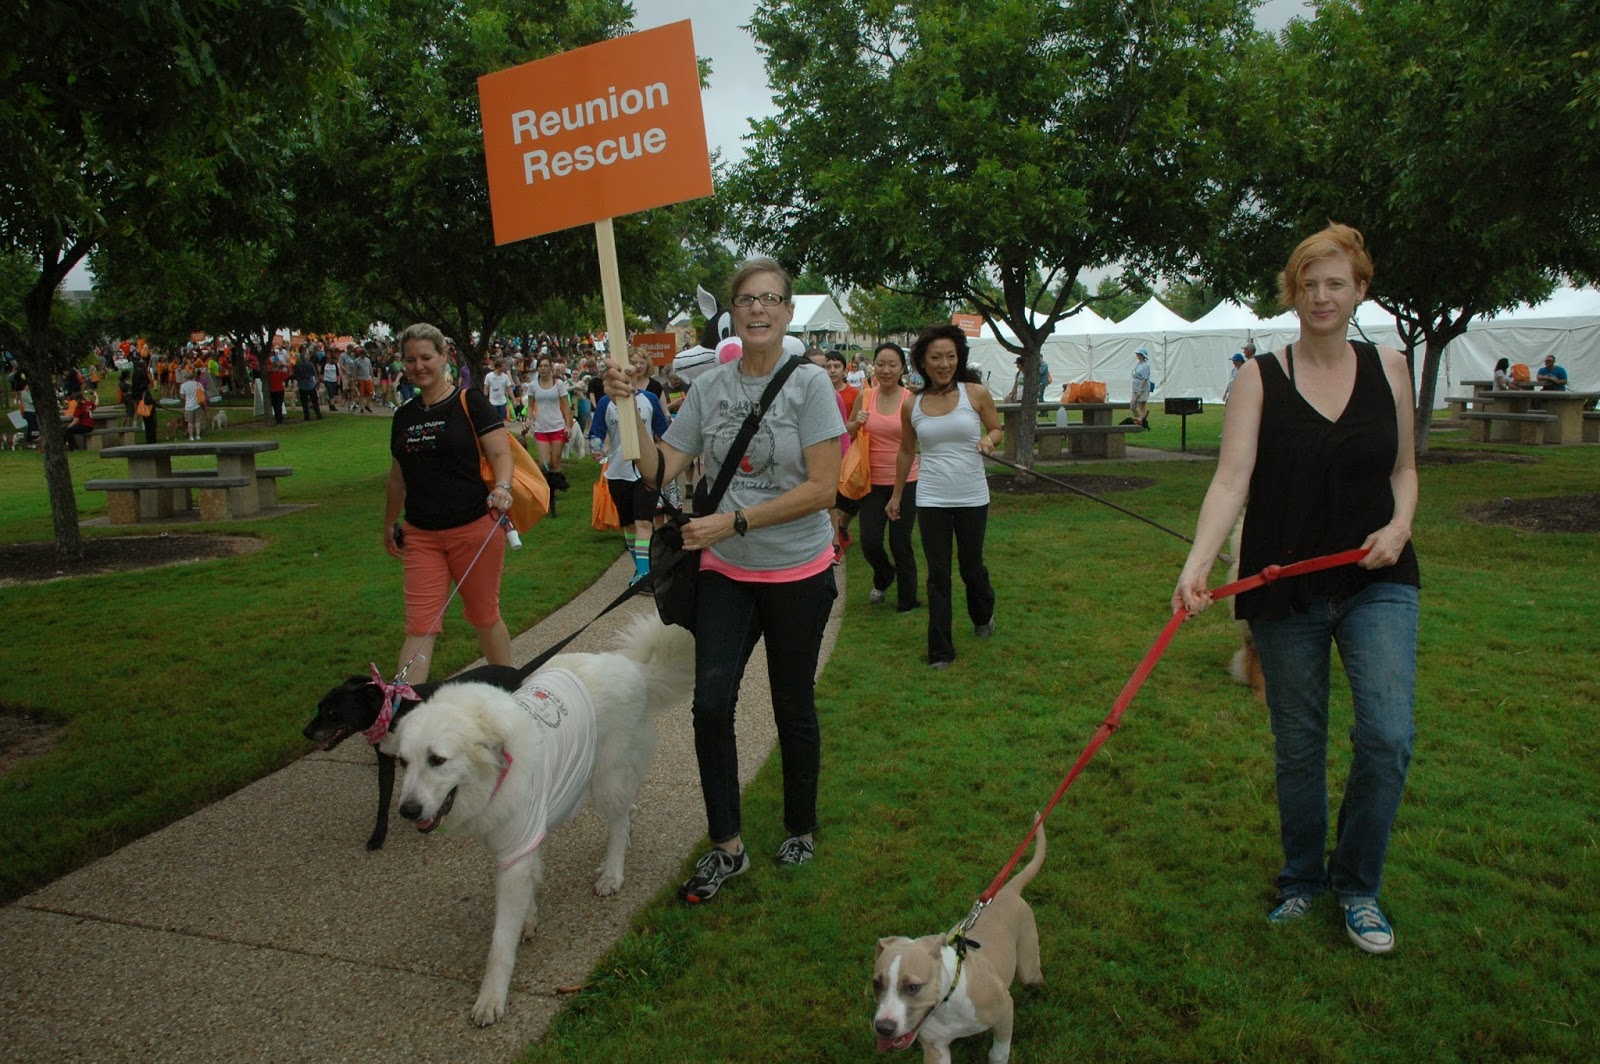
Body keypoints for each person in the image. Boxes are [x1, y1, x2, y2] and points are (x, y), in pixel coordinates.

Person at [1171, 223, 1419, 956]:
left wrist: (1401, 524)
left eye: (1335, 283)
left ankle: (1358, 886)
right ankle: (1304, 880)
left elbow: (1403, 470)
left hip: (1379, 577)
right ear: (1293, 292)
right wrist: (1197, 564)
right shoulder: (1259, 378)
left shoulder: (1392, 369)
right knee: (1299, 744)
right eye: (1308, 283)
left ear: (1359, 291)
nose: (1321, 295)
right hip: (1285, 587)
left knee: (1387, 735)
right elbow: (1230, 479)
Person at [603, 256, 842, 902]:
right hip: (729, 575)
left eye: (771, 299)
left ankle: (800, 825)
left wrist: (733, 521)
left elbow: (824, 490)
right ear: (731, 314)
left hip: (798, 571)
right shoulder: (709, 387)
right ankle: (726, 845)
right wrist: (636, 409)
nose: (758, 309)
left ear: (789, 312)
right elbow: (660, 468)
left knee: (793, 704)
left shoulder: (810, 387)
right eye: (747, 300)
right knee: (711, 705)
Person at [383, 322, 516, 687]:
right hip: (421, 534)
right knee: (419, 625)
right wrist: (390, 521)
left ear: (444, 357)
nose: (418, 366)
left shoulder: (469, 402)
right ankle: (403, 712)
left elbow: (501, 453)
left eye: (426, 357)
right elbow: (398, 477)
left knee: (483, 615)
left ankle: (509, 689)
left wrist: (503, 487)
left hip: (474, 528)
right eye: (410, 360)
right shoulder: (404, 416)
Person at [888, 324, 1001, 669]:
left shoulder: (976, 393)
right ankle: (940, 651)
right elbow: (907, 452)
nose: (943, 364)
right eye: (936, 357)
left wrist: (989, 441)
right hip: (932, 497)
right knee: (938, 575)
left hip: (972, 496)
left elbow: (996, 429)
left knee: (971, 568)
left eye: (950, 356)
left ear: (959, 358)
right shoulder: (913, 405)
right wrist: (896, 496)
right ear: (922, 361)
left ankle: (982, 616)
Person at [849, 342, 920, 610]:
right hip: (870, 481)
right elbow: (848, 431)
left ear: (902, 368)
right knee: (870, 542)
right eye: (881, 364)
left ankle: (908, 601)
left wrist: (898, 494)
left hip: (905, 481)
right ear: (872, 366)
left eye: (892, 365)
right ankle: (884, 576)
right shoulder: (864, 396)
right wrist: (856, 423)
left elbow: (912, 446)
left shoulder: (910, 400)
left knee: (900, 543)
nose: (886, 370)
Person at [590, 355, 671, 585]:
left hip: (646, 471)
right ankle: (639, 569)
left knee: (644, 522)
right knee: (628, 524)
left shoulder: (650, 399)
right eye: (630, 362)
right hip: (618, 470)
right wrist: (595, 447)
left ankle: (645, 574)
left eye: (638, 362)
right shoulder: (607, 402)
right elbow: (596, 431)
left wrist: (663, 456)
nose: (635, 366)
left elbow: (661, 431)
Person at [524, 353, 573, 479]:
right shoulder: (533, 386)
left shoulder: (559, 384)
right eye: (540, 366)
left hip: (557, 426)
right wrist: (528, 419)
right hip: (541, 428)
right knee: (544, 463)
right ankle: (545, 489)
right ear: (537, 368)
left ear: (550, 368)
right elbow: (530, 406)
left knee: (555, 461)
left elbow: (566, 406)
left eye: (546, 366)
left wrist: (568, 426)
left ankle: (555, 489)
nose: (543, 369)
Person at [293, 348, 323, 420]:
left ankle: (307, 416)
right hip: (310, 384)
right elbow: (314, 373)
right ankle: (318, 414)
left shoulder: (298, 365)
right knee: (314, 401)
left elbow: (295, 375)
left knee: (304, 402)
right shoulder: (310, 364)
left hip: (302, 385)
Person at [179, 371, 205, 441]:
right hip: (197, 404)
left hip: (188, 406)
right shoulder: (198, 384)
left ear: (186, 378)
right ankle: (198, 435)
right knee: (197, 421)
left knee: (189, 422)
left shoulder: (183, 385)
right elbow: (202, 392)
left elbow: (182, 397)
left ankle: (191, 436)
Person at [1130, 348, 1153, 427]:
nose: (1137, 355)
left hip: (1143, 388)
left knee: (1142, 405)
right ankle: (1138, 419)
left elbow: (1145, 378)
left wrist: (1140, 389)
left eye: (1138, 354)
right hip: (1135, 387)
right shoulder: (1138, 363)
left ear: (1142, 355)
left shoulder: (1146, 365)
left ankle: (1142, 421)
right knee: (1132, 405)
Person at [266, 357, 290, 425]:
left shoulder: (270, 374)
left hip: (273, 391)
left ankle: (278, 418)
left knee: (276, 405)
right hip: (279, 390)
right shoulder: (280, 374)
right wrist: (287, 368)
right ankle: (280, 419)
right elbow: (288, 375)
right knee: (279, 405)